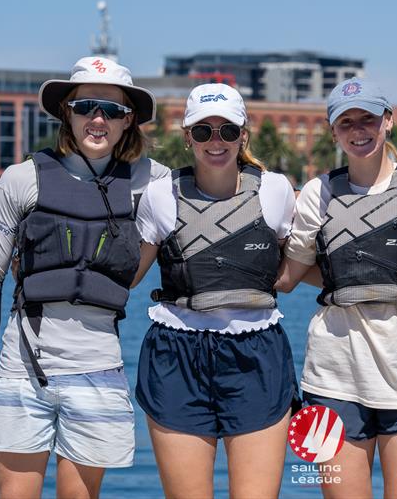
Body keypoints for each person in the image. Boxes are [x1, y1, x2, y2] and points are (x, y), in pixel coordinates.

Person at [0, 56, 168, 499]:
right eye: (86, 107)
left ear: (128, 119)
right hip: (22, 368)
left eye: (112, 110)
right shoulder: (21, 179)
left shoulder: (153, 183)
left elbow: (211, 189)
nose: (97, 119)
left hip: (99, 368)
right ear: (67, 112)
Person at [276, 78, 397, 499]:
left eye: (368, 119)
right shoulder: (319, 193)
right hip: (332, 378)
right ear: (333, 132)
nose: (358, 130)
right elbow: (288, 277)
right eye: (346, 122)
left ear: (388, 122)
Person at [130, 83, 299, 498]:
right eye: (203, 131)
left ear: (244, 135)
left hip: (257, 353)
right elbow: (128, 276)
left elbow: (296, 266)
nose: (216, 141)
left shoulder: (275, 191)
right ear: (187, 137)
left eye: (227, 130)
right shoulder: (159, 195)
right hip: (176, 356)